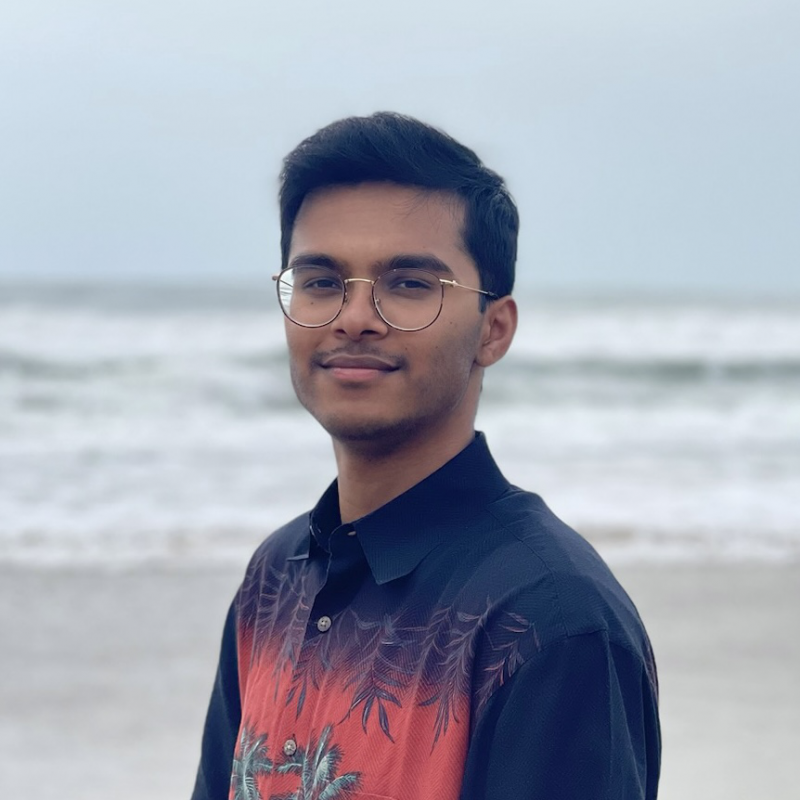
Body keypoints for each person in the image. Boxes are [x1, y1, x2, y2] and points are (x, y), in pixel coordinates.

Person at [191, 112, 661, 800]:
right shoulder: (274, 580)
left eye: (409, 284)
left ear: (493, 331)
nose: (354, 316)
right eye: (321, 281)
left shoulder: (549, 621)